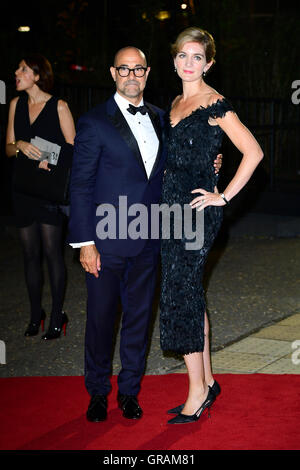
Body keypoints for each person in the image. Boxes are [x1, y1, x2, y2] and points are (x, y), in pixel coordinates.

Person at [68, 46, 223, 422]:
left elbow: (185, 160)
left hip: (152, 237)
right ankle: (98, 393)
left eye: (138, 69)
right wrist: (84, 242)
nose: (132, 75)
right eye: (124, 69)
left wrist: (214, 167)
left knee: (139, 320)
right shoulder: (93, 122)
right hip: (106, 238)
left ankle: (130, 392)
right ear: (113, 73)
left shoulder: (161, 117)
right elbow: (80, 185)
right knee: (102, 320)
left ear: (148, 72)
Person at [160, 27, 264, 424]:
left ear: (209, 63)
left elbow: (253, 151)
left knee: (181, 295)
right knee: (190, 292)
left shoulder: (214, 103)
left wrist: (224, 195)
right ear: (173, 60)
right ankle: (207, 379)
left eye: (197, 58)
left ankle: (196, 393)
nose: (189, 64)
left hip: (197, 213)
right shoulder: (172, 104)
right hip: (168, 213)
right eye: (183, 56)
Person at [6, 53, 76, 340]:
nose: (16, 73)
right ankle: (37, 314)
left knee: (52, 253)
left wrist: (49, 156)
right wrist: (20, 144)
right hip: (22, 189)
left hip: (48, 192)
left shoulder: (59, 106)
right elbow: (8, 148)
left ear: (37, 75)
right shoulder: (15, 104)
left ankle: (58, 315)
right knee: (29, 254)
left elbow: (74, 148)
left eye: (22, 69)